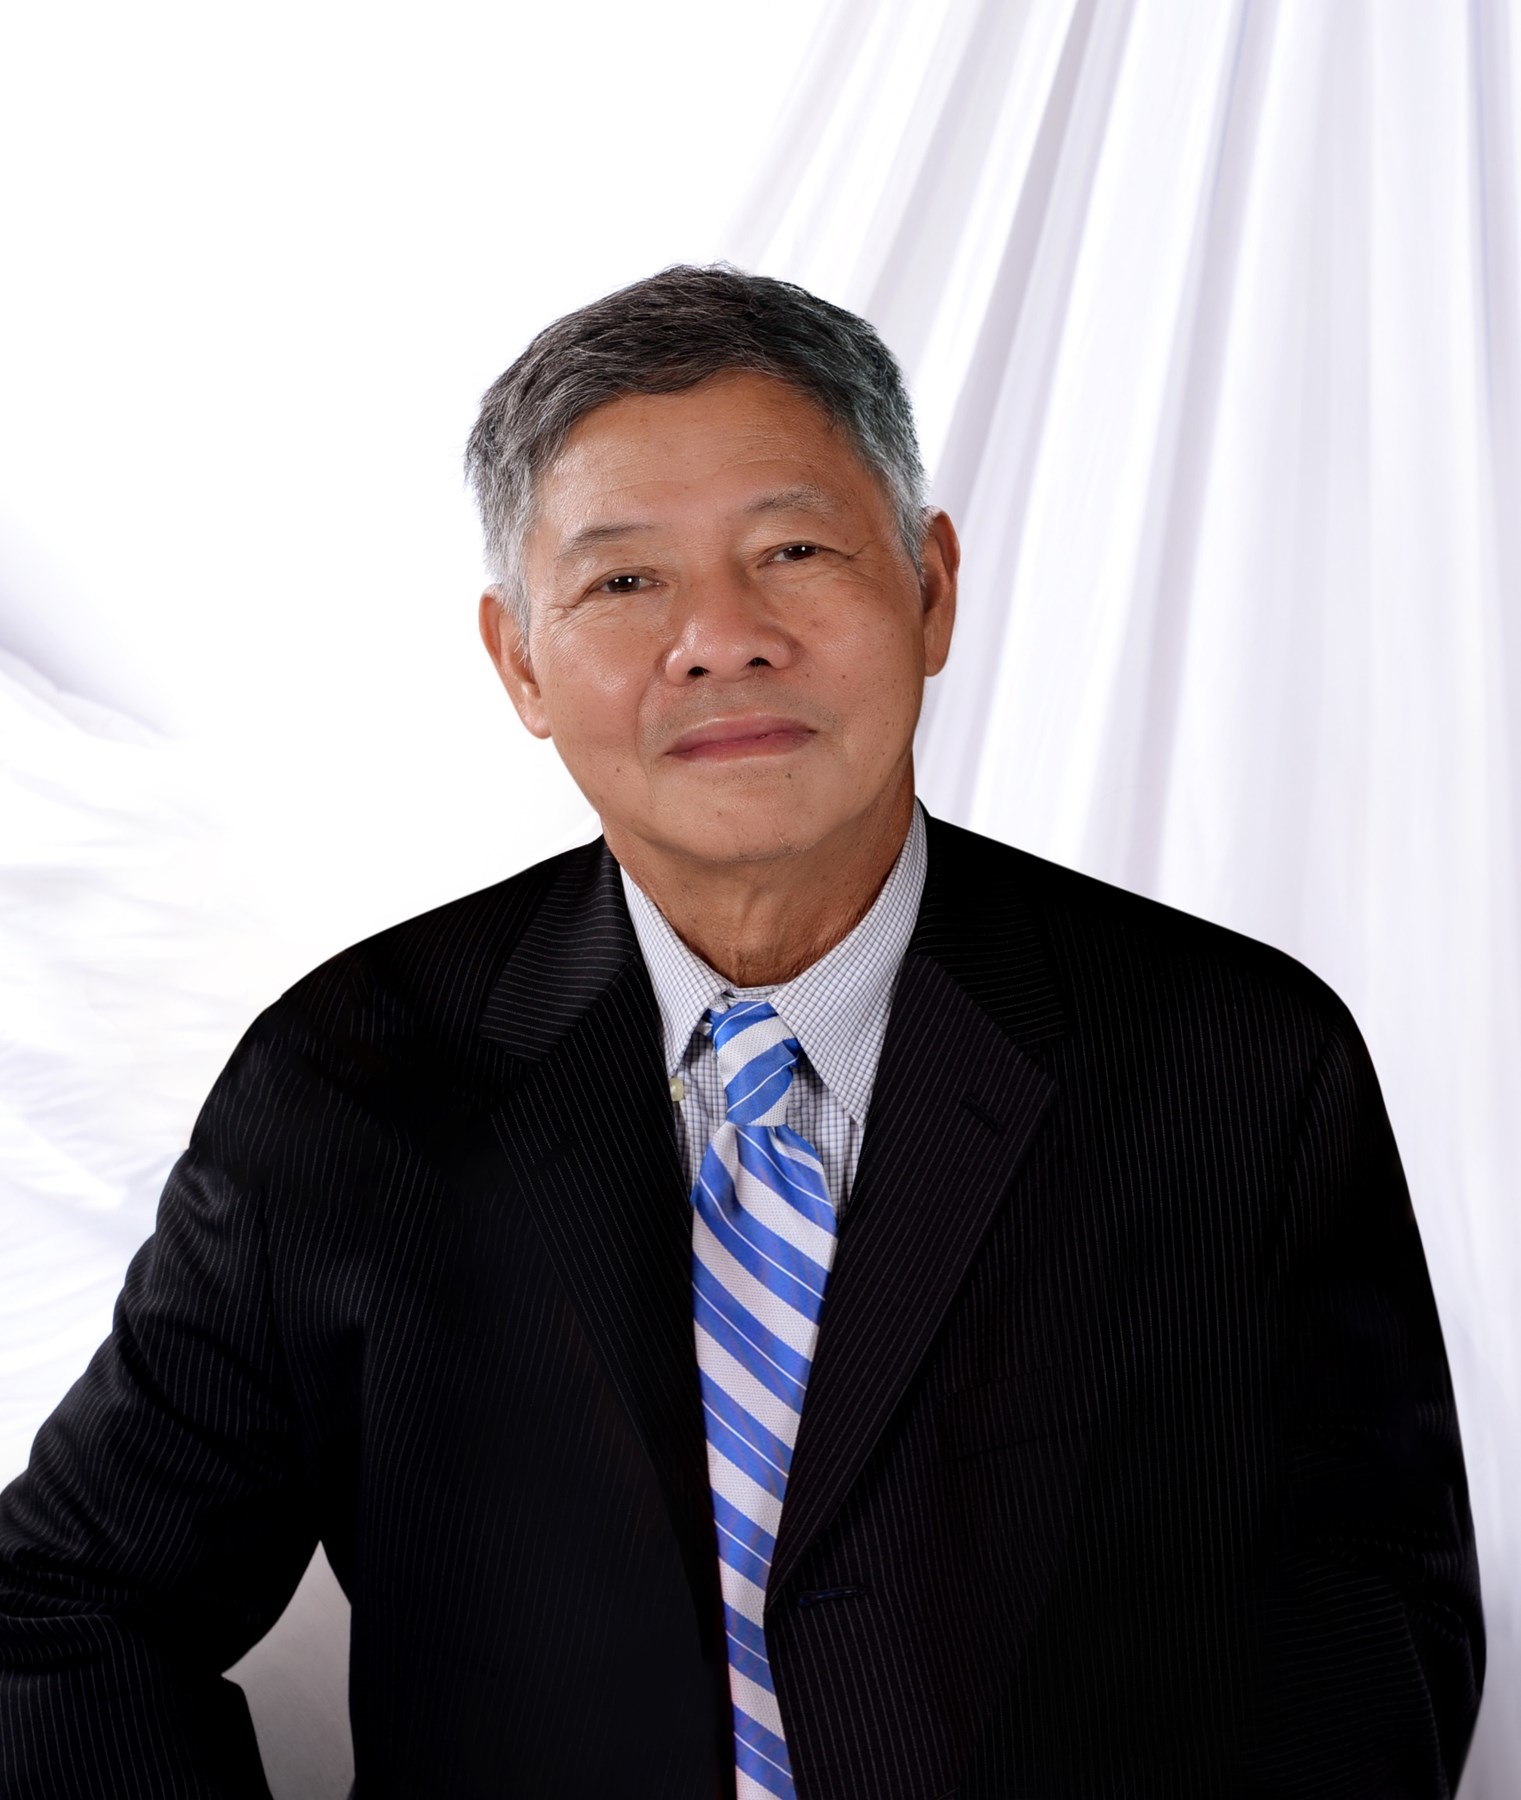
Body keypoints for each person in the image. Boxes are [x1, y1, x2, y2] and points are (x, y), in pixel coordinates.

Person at [0, 264, 1484, 1799]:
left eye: (792, 550)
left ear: (930, 587)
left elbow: (1370, 1621)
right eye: (623, 583)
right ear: (519, 660)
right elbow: (64, 1607)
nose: (720, 638)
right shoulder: (348, 1083)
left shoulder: (1232, 1063)